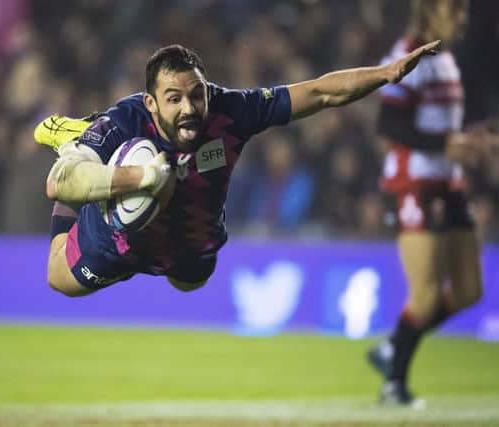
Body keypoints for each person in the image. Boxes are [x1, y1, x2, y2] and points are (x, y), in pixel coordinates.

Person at [33, 42, 438, 297]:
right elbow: (59, 183)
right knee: (58, 277)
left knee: (190, 283)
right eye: (173, 99)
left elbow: (321, 92)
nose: (189, 108)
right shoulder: (124, 121)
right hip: (115, 241)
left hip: (191, 242)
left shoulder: (232, 110)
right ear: (151, 104)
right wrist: (141, 179)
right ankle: (75, 140)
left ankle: (96, 157)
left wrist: (386, 74)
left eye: (196, 95)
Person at [367, 0, 492, 408]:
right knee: (425, 293)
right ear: (431, 12)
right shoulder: (408, 55)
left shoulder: (446, 59)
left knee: (470, 290)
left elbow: (439, 126)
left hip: (447, 182)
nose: (462, 18)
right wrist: (446, 144)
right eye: (454, 11)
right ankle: (394, 385)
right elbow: (388, 124)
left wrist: (470, 140)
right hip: (414, 184)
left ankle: (394, 346)